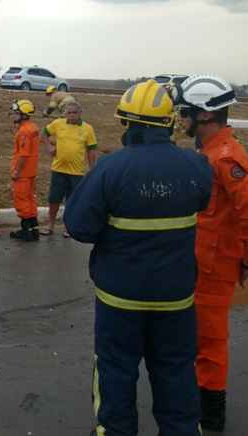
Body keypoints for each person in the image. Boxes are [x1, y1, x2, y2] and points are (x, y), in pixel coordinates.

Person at [64, 79, 212, 436]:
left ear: (125, 122)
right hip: (176, 298)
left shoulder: (110, 169)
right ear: (169, 121)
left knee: (116, 370)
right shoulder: (196, 166)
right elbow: (202, 204)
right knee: (176, 370)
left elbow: (80, 226)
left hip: (120, 299)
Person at [175, 74, 248, 431]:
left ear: (204, 115)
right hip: (202, 262)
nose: (181, 119)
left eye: (185, 112)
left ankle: (211, 415)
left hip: (215, 265)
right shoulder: (209, 153)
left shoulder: (225, 157)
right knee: (200, 338)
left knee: (211, 342)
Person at [40, 100, 97, 236]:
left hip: (77, 173)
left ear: (80, 113)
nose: (71, 115)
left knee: (72, 202)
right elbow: (44, 133)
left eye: (74, 112)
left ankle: (68, 228)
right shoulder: (58, 124)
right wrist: (49, 147)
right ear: (65, 113)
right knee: (54, 200)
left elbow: (91, 150)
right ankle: (50, 225)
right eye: (69, 112)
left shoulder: (88, 129)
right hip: (58, 170)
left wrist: (92, 169)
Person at [9, 99, 40, 241]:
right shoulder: (33, 128)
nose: (13, 115)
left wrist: (16, 172)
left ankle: (26, 231)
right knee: (30, 200)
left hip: (23, 173)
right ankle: (34, 230)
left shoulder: (24, 131)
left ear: (23, 114)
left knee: (21, 201)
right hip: (31, 172)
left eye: (16, 113)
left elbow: (23, 154)